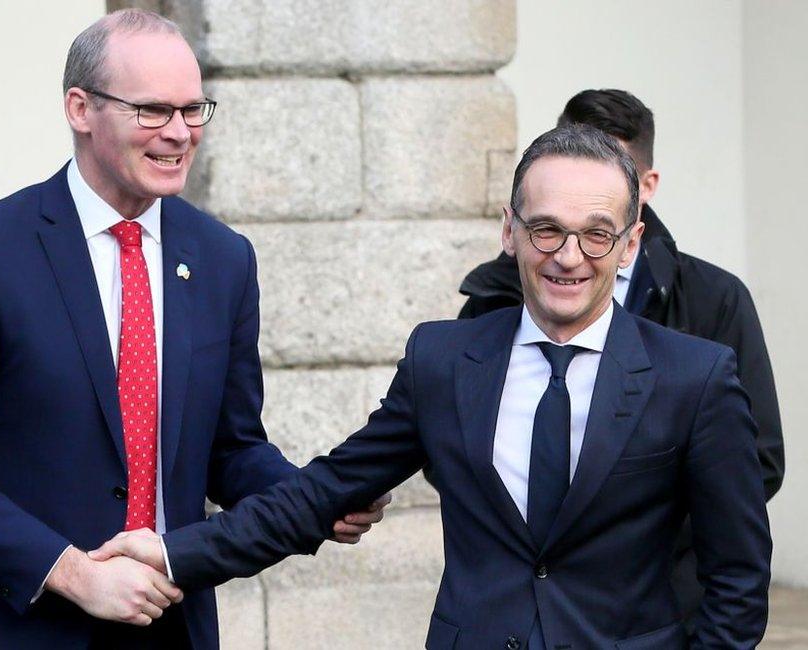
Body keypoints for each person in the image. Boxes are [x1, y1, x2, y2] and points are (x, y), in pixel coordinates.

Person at [93, 125, 772, 649]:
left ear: (630, 244)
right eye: (547, 230)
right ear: (509, 231)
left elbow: (737, 579)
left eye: (597, 236)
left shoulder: (697, 378)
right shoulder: (443, 360)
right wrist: (173, 553)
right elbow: (321, 493)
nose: (570, 257)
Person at [0, 9, 386, 649]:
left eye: (193, 109)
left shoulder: (223, 258)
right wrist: (69, 571)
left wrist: (316, 499)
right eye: (152, 111)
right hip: (11, 625)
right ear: (80, 108)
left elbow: (228, 449)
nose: (179, 133)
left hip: (165, 626)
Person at [456, 88, 783, 622]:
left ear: (644, 189)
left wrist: (631, 533)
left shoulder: (714, 299)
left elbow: (758, 460)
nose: (569, 254)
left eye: (612, 171)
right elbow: (451, 436)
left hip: (660, 604)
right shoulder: (495, 293)